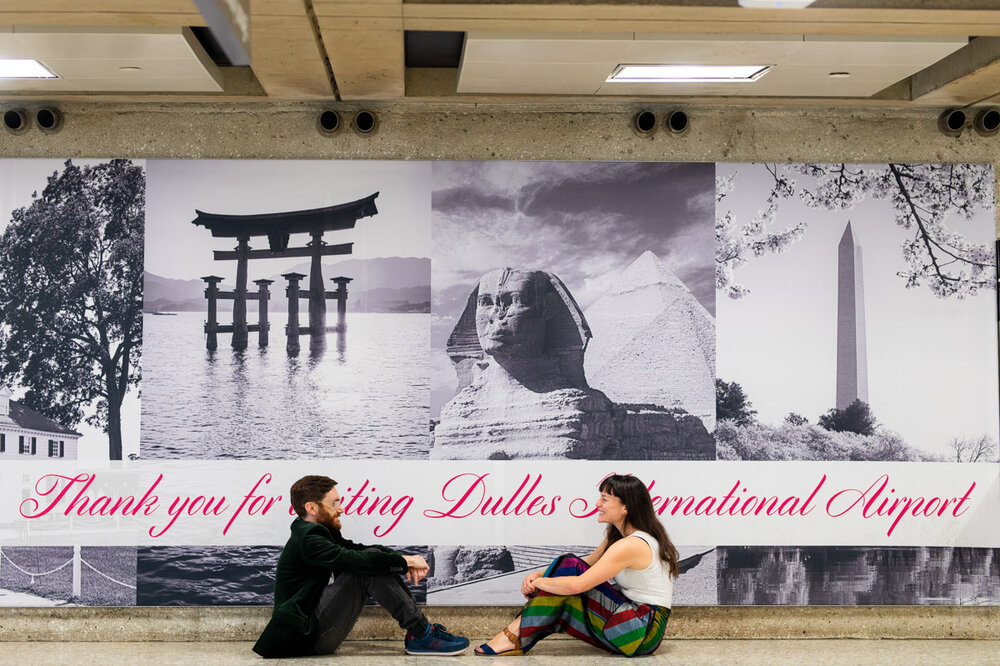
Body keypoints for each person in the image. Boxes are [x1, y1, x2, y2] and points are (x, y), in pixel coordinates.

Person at [253, 475, 469, 658]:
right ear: (311, 507)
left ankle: (420, 631)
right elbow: (356, 560)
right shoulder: (309, 538)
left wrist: (404, 558)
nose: (341, 509)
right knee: (366, 567)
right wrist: (404, 563)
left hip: (311, 629)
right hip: (304, 637)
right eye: (334, 503)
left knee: (371, 559)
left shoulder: (315, 530)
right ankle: (420, 633)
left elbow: (358, 550)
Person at [475, 474, 677, 657]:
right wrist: (538, 575)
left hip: (642, 631)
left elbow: (578, 585)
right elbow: (587, 563)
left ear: (626, 507)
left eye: (605, 499)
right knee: (569, 568)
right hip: (632, 621)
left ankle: (513, 634)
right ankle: (515, 633)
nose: (598, 503)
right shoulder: (620, 538)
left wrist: (541, 583)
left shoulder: (632, 544)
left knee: (570, 570)